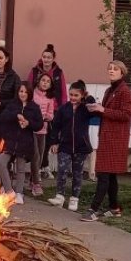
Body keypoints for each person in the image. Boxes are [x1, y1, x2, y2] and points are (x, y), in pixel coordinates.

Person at [81, 61, 131, 222]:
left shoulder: (125, 92)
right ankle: (114, 208)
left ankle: (93, 209)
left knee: (103, 174)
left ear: (122, 73)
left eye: (115, 69)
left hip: (116, 139)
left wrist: (103, 109)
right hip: (106, 137)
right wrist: (96, 108)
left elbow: (125, 115)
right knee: (110, 176)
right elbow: (107, 113)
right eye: (109, 69)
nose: (111, 71)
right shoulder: (109, 90)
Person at [48, 80, 93, 211]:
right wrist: (54, 142)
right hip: (65, 146)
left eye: (76, 95)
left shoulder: (86, 108)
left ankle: (74, 198)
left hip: (81, 147)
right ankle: (60, 196)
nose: (73, 98)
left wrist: (87, 98)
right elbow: (56, 126)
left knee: (77, 173)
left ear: (82, 95)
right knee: (62, 171)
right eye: (71, 95)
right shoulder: (63, 109)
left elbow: (95, 108)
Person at [0, 82, 43, 205]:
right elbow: (2, 117)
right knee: (1, 162)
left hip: (25, 143)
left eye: (26, 92)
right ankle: (9, 190)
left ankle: (19, 193)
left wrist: (28, 123)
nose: (23, 94)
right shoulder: (12, 105)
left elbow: (39, 125)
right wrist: (15, 115)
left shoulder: (34, 107)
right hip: (10, 141)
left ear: (30, 93)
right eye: (21, 91)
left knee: (20, 169)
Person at [30, 73, 57, 197]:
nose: (45, 83)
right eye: (43, 80)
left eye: (48, 81)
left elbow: (51, 114)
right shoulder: (32, 94)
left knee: (40, 156)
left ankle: (32, 180)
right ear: (38, 81)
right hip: (31, 130)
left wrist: (47, 117)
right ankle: (36, 183)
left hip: (43, 131)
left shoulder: (50, 98)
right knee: (35, 155)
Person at [28, 43, 67, 112]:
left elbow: (63, 91)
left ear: (53, 59)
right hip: (37, 107)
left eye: (49, 58)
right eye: (44, 57)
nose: (46, 60)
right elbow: (29, 89)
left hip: (55, 107)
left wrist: (63, 108)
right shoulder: (34, 71)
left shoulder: (58, 72)